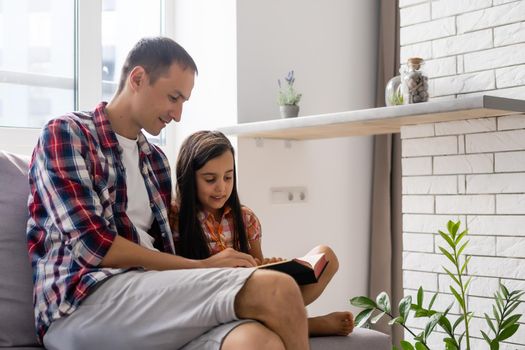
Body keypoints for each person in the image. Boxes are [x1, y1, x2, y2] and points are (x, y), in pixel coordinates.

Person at [27, 36, 309, 350]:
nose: (178, 114)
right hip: (81, 304)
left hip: (152, 299)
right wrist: (202, 269)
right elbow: (94, 247)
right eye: (173, 98)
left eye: (184, 102)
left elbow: (166, 246)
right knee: (277, 290)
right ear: (137, 79)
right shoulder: (67, 134)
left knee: (256, 341)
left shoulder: (156, 161)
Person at [170, 130, 355, 337]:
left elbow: (257, 267)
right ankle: (306, 325)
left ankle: (287, 319)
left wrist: (270, 264)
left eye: (228, 177)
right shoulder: (177, 218)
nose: (221, 187)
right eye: (210, 179)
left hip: (255, 295)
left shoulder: (245, 218)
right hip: (215, 302)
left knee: (326, 256)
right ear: (188, 177)